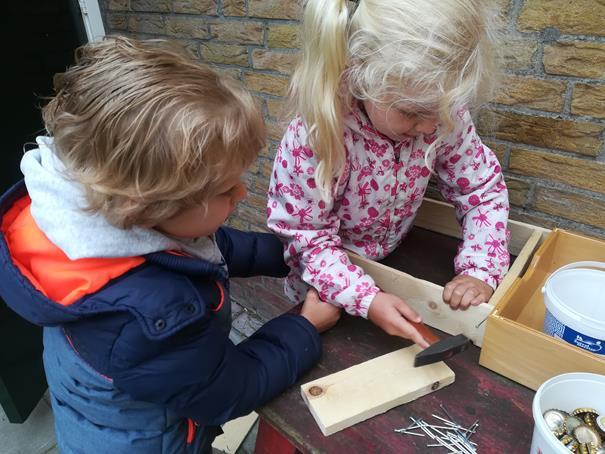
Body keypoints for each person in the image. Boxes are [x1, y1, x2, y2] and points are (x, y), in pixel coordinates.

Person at [0, 36, 340, 453]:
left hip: (99, 410)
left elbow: (204, 248)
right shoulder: (152, 316)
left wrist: (286, 254)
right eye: (224, 190)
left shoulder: (92, 215)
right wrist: (304, 325)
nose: (243, 194)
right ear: (144, 206)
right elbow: (226, 391)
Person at [267, 0, 509, 347]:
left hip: (391, 264)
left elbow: (481, 189)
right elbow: (304, 235)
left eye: (439, 111)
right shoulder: (318, 133)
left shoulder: (440, 115)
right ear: (362, 75)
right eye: (412, 112)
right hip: (323, 289)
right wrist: (365, 298)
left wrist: (481, 268)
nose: (429, 127)